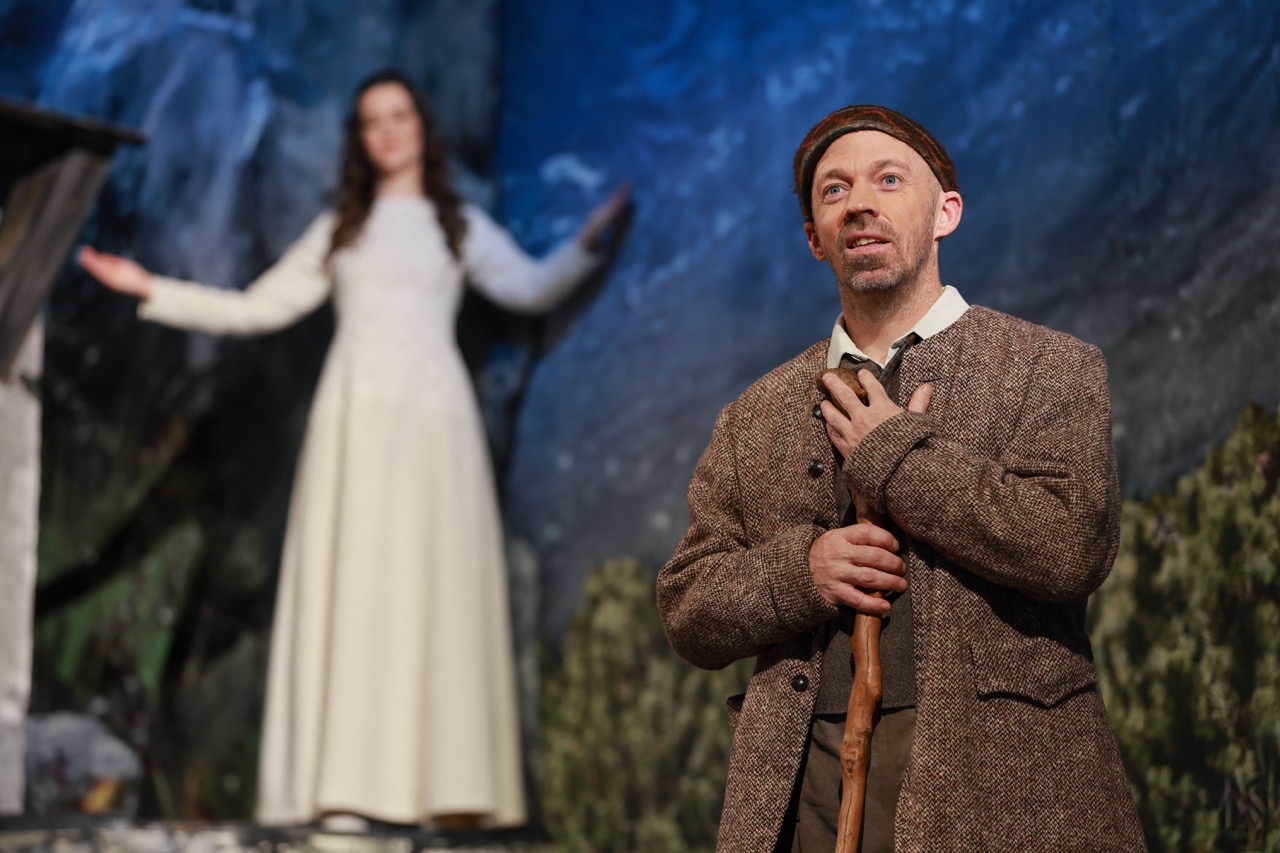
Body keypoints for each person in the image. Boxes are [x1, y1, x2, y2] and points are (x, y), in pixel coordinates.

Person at [79, 70, 629, 832]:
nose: (389, 132)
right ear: (361, 140)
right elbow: (257, 306)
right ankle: (343, 788)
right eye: (373, 121)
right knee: (355, 594)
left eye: (399, 115)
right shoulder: (342, 227)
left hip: (434, 426)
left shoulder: (457, 225)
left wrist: (591, 240)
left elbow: (530, 287)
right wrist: (153, 288)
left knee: (434, 592)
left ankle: (441, 788)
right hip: (355, 426)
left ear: (421, 126)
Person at [656, 105, 1145, 852]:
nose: (860, 203)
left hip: (1002, 790)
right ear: (814, 239)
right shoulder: (753, 417)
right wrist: (803, 573)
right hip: (809, 792)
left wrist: (894, 455)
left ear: (946, 212)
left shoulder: (1048, 367)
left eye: (889, 179)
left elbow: (1071, 545)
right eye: (835, 190)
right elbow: (688, 604)